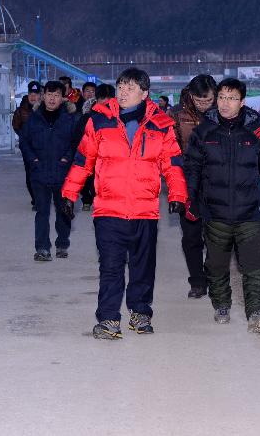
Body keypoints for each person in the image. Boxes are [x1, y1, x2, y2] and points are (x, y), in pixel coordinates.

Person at [62, 68, 187, 340]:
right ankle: (108, 319)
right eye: (120, 87)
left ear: (144, 93)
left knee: (143, 265)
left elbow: (173, 163)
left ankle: (141, 313)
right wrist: (69, 193)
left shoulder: (161, 125)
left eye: (130, 88)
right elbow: (84, 159)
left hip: (145, 209)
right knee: (110, 266)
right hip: (109, 208)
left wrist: (177, 195)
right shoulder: (99, 121)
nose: (123, 92)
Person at [184, 78, 260, 331]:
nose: (225, 103)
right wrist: (190, 200)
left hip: (249, 211)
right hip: (215, 212)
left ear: (242, 102)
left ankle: (257, 312)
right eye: (221, 98)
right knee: (217, 265)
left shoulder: (256, 132)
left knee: (252, 264)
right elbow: (193, 170)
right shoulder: (204, 131)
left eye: (231, 99)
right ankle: (221, 303)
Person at [20, 81, 78, 261]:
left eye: (57, 95)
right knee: (42, 212)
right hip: (40, 173)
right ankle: (42, 248)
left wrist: (66, 159)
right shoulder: (33, 118)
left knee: (63, 211)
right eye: (49, 95)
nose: (52, 99)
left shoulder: (70, 119)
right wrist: (33, 160)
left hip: (62, 174)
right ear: (43, 96)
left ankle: (62, 244)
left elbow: (76, 144)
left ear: (62, 98)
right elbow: (24, 142)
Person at [171, 74, 217, 298]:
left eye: (208, 101)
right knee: (191, 236)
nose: (204, 105)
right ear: (190, 95)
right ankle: (197, 281)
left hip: (217, 183)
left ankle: (211, 275)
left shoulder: (222, 113)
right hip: (187, 183)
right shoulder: (177, 115)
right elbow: (171, 150)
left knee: (216, 236)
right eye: (199, 101)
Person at [72, 83, 115, 212]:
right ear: (97, 99)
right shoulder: (87, 117)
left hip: (109, 159)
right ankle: (88, 200)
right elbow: (77, 138)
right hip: (90, 156)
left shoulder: (119, 118)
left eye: (108, 99)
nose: (105, 103)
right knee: (89, 182)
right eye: (102, 98)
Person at [13, 81, 42, 210]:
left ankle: (41, 198)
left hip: (43, 148)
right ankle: (36, 199)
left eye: (36, 94)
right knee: (30, 174)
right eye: (31, 93)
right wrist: (25, 137)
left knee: (41, 173)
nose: (33, 97)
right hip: (27, 148)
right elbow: (16, 125)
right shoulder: (21, 110)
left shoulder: (45, 109)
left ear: (40, 95)